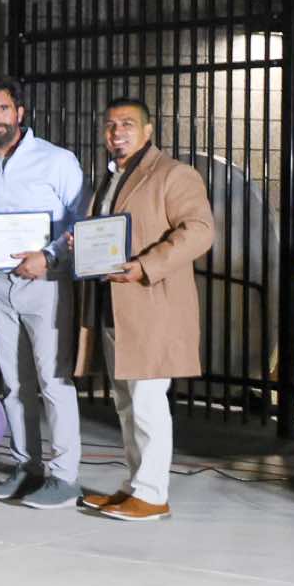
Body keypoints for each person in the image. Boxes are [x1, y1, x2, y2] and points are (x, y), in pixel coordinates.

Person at [72, 97, 214, 521]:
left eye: (128, 124)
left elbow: (200, 231)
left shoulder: (174, 173)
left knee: (148, 402)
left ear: (149, 131)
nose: (117, 132)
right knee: (126, 404)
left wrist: (146, 265)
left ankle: (153, 494)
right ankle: (134, 485)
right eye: (111, 125)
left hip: (152, 305)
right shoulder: (110, 178)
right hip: (112, 305)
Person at [0, 76, 89, 510]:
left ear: (20, 112)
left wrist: (50, 257)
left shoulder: (57, 160)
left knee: (53, 381)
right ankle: (26, 467)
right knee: (14, 383)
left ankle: (65, 477)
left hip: (46, 283)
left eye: (2, 108)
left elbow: (82, 220)